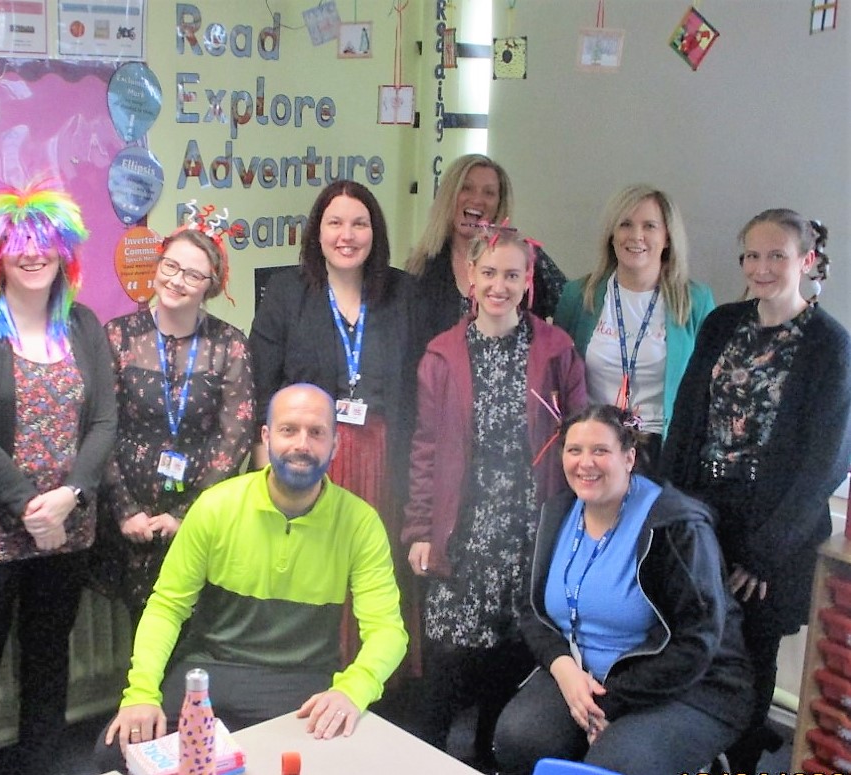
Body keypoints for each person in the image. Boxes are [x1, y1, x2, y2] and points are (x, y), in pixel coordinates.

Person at [93, 384, 408, 771]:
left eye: (317, 432)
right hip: (210, 673)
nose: (302, 444)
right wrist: (141, 692)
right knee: (115, 753)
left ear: (335, 445)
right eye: (288, 430)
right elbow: (166, 608)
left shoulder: (360, 523)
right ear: (266, 437)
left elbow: (388, 632)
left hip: (303, 682)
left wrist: (354, 689)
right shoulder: (215, 507)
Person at [0, 178, 117, 775]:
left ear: (65, 250)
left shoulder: (85, 326)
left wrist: (67, 499)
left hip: (66, 528)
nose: (33, 255)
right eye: (19, 244)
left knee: (46, 660)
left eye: (46, 243)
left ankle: (42, 765)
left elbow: (104, 423)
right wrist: (29, 507)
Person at [662, 209, 851, 774]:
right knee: (686, 634)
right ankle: (686, 748)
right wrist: (670, 507)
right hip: (703, 510)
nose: (761, 268)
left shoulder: (830, 346)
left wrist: (765, 553)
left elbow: (827, 461)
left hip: (773, 529)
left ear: (806, 261)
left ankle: (740, 759)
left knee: (750, 655)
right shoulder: (722, 323)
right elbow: (687, 417)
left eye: (776, 256)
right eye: (751, 255)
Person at [402, 227, 586, 770]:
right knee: (450, 655)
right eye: (489, 274)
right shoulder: (442, 354)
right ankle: (426, 757)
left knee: (513, 650)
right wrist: (418, 529)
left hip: (530, 527)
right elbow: (426, 447)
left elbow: (578, 438)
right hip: (463, 525)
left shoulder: (556, 350)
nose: (499, 286)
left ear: (528, 282)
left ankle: (489, 753)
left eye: (512, 275)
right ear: (471, 278)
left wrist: (576, 529)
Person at [494, 404, 753, 775]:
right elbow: (531, 610)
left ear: (629, 457)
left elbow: (697, 644)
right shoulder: (558, 512)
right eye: (574, 450)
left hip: (689, 687)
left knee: (614, 767)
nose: (585, 463)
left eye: (600, 450)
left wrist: (608, 704)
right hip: (586, 674)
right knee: (520, 741)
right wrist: (564, 670)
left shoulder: (676, 526)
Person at [248, 180, 420, 671]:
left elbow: (417, 382)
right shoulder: (286, 293)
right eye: (335, 223)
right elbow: (263, 382)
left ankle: (375, 674)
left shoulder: (403, 293)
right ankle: (311, 668)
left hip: (383, 459)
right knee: (312, 565)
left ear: (375, 232)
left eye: (359, 223)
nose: (347, 235)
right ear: (317, 232)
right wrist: (266, 461)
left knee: (373, 567)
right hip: (309, 455)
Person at [97, 210, 254, 628]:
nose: (176, 280)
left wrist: (188, 512)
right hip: (131, 516)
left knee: (198, 633)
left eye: (192, 274)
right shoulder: (117, 336)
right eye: (170, 266)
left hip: (200, 513)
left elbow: (235, 436)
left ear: (211, 286)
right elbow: (99, 426)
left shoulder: (229, 345)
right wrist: (124, 508)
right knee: (143, 633)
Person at [553, 184, 715, 468]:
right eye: (625, 224)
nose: (636, 236)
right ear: (612, 235)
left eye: (649, 226)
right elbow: (559, 376)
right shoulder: (578, 296)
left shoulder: (694, 300)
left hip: (665, 450)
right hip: (595, 448)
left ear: (667, 238)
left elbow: (710, 385)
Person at [406, 153, 567, 348]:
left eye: (489, 193)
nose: (477, 199)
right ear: (449, 196)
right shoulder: (421, 266)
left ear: (499, 203)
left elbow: (574, 306)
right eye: (466, 188)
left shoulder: (528, 258)